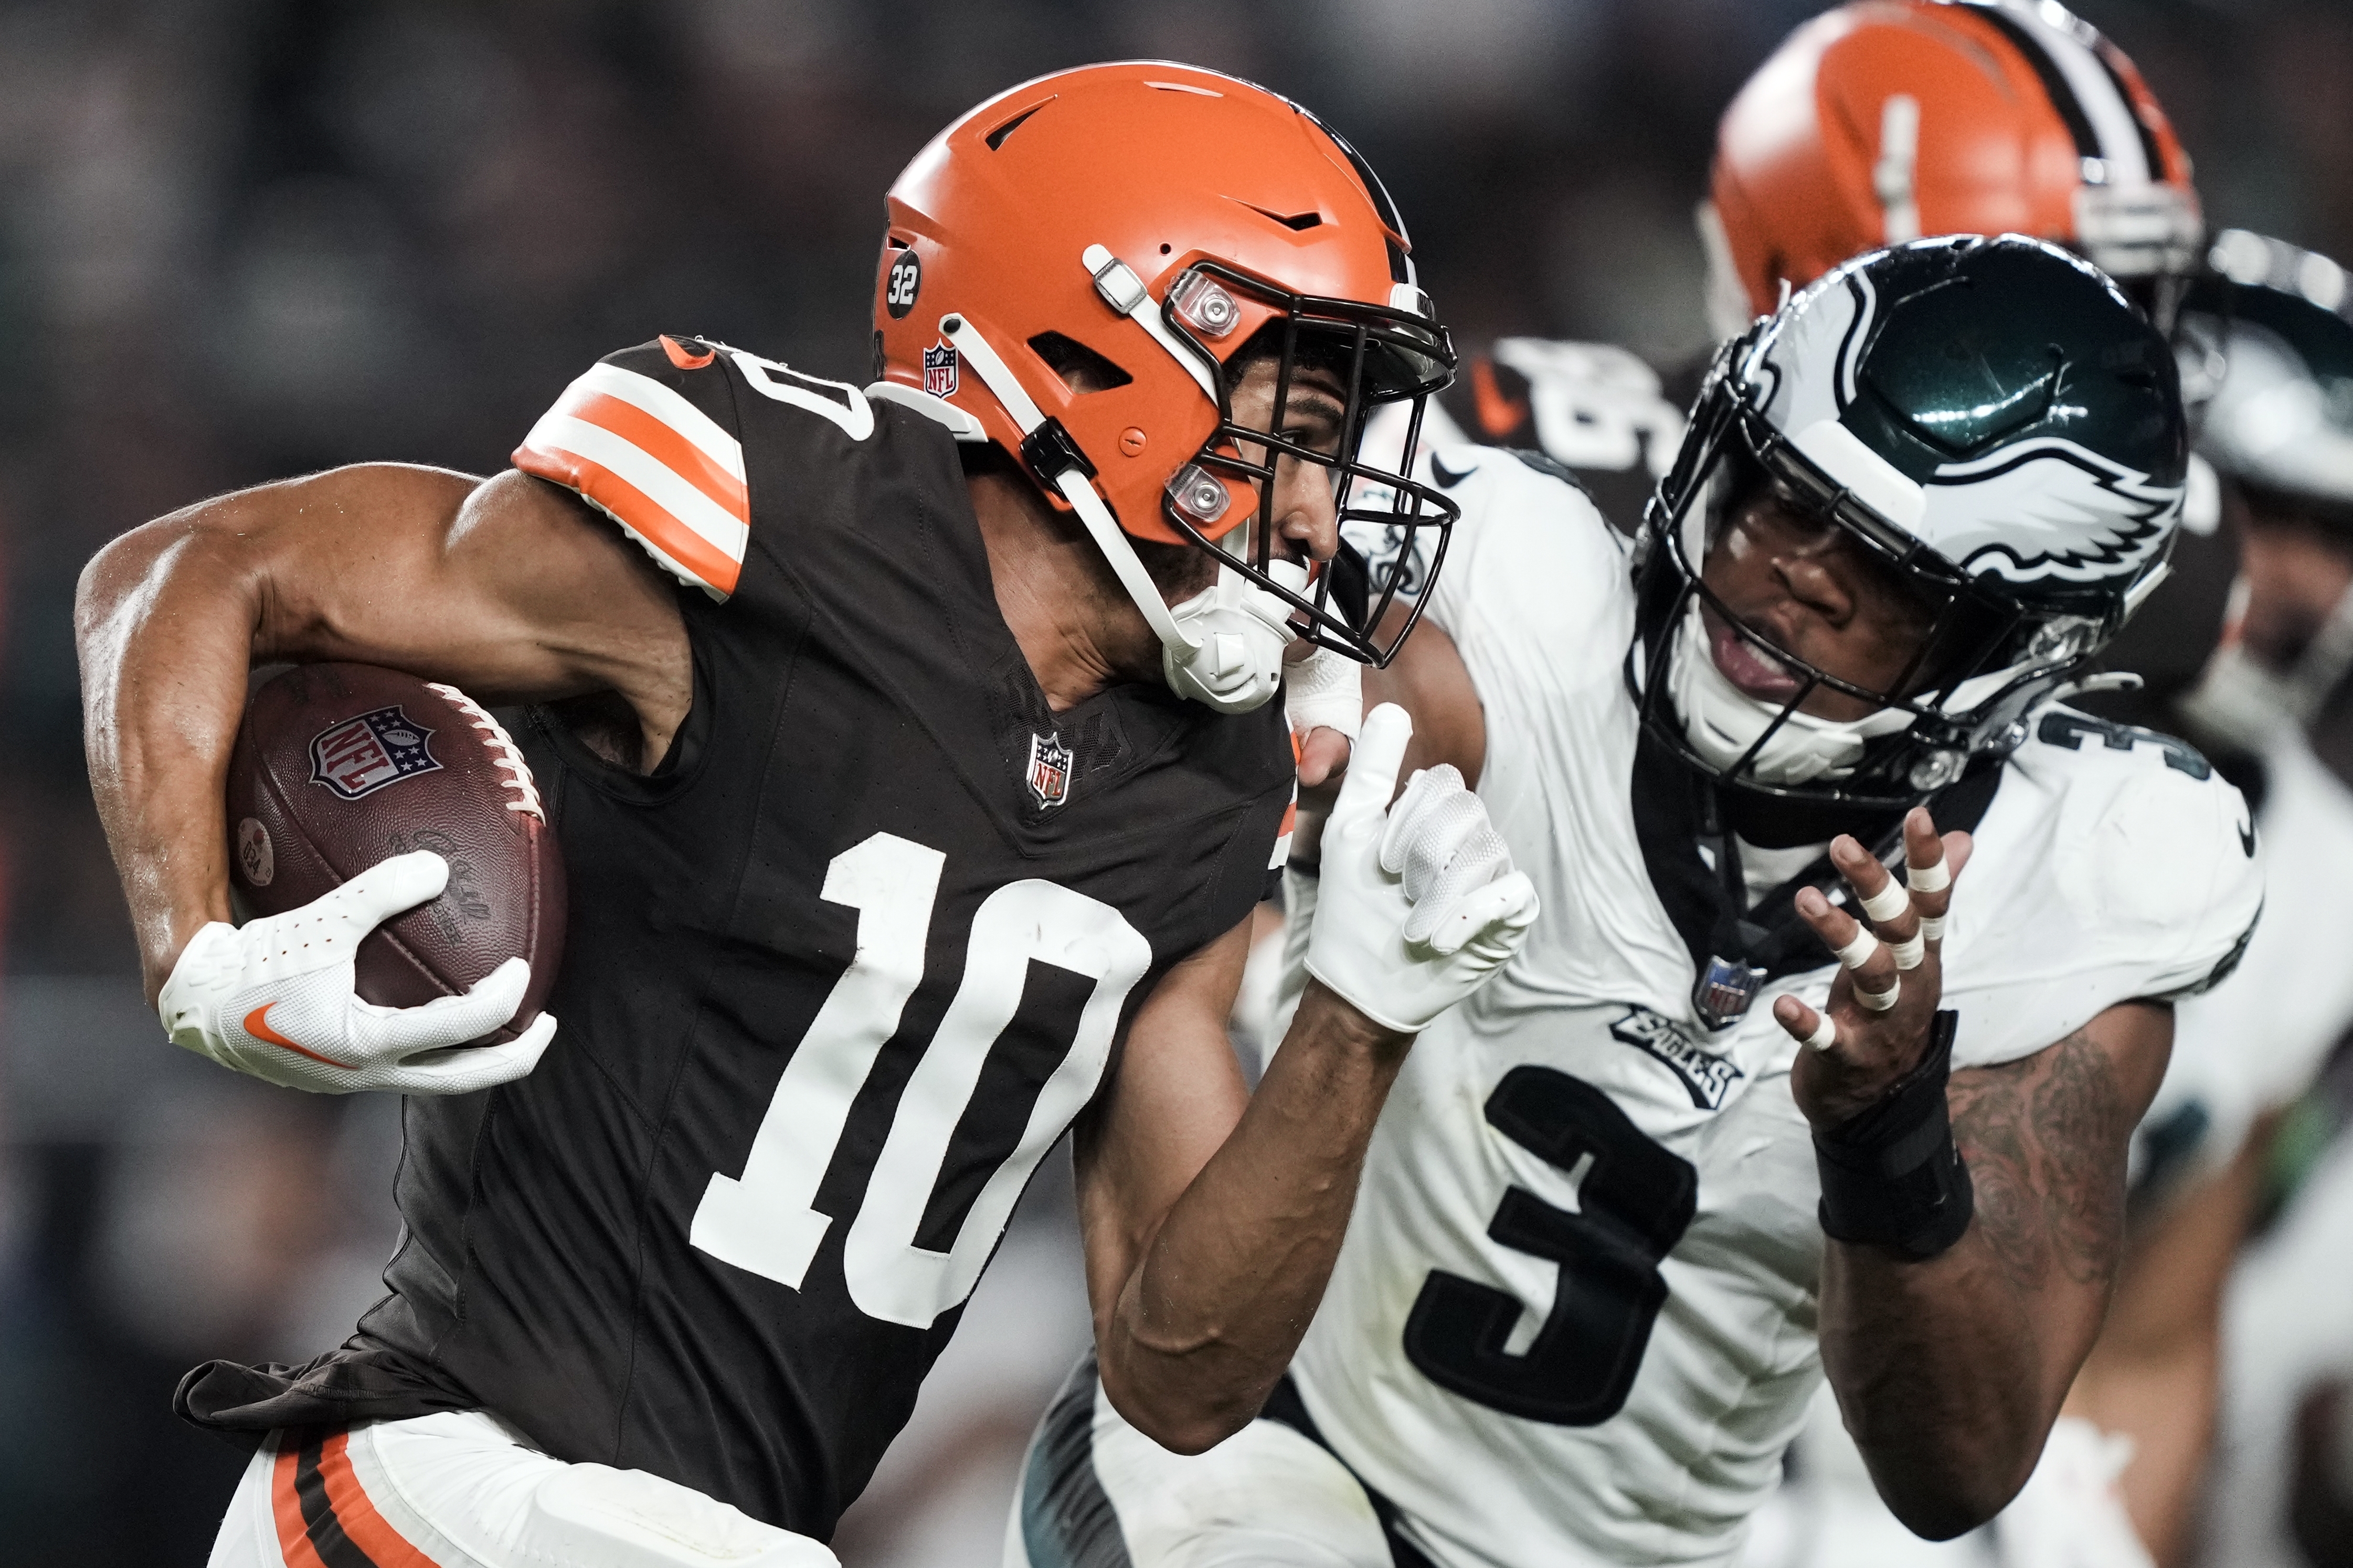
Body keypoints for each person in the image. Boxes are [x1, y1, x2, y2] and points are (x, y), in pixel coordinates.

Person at [73, 62, 1540, 1568]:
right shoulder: (766, 520)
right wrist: (193, 946)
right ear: (1094, 353)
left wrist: (1357, 1021)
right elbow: (188, 568)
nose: (1316, 502)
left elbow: (1178, 1377)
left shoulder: (1212, 773)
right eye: (1289, 421)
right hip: (443, 1486)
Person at [1010, 234, 2263, 1568]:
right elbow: (1194, 767)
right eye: (1783, 494)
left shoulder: (2086, 884)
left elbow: (1957, 1465)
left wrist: (1890, 1133)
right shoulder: (1519, 612)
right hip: (1276, 1450)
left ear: (2013, 652)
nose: (1794, 566)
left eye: (1888, 575)